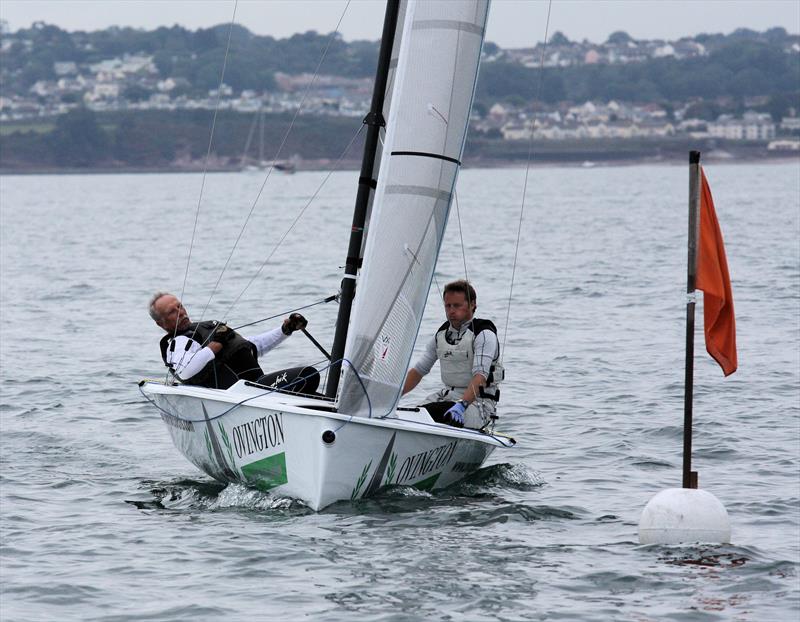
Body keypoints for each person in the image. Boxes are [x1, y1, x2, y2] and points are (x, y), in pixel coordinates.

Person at [149, 292, 315, 391]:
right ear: (161, 323)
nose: (181, 312)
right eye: (172, 311)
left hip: (257, 390)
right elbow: (185, 371)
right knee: (309, 375)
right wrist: (215, 345)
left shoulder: (202, 331)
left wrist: (285, 330)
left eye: (180, 306)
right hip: (241, 396)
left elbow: (253, 346)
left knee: (317, 397)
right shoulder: (176, 343)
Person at [402, 280, 503, 430]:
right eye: (448, 306)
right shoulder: (441, 335)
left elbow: (480, 377)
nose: (451, 311)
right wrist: (392, 397)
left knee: (436, 414)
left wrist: (462, 405)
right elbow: (419, 370)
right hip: (446, 398)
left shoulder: (483, 334)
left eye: (457, 305)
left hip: (478, 405)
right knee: (405, 414)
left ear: (472, 304)